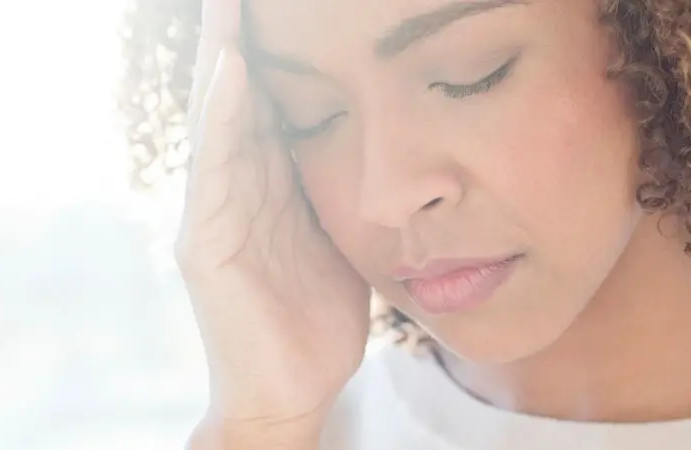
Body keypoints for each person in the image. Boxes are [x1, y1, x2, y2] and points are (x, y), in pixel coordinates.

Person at [122, 0, 691, 448]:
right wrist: (261, 428)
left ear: (656, 36)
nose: (385, 197)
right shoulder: (303, 432)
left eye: (473, 76)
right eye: (311, 116)